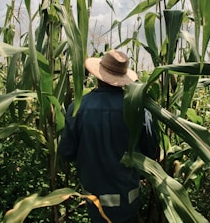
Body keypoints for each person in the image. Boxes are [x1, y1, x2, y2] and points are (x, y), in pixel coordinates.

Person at [58, 49, 158, 223]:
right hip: (129, 203)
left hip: (94, 204)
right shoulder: (137, 110)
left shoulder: (77, 108)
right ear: (123, 79)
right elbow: (152, 153)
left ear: (98, 75)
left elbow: (67, 152)